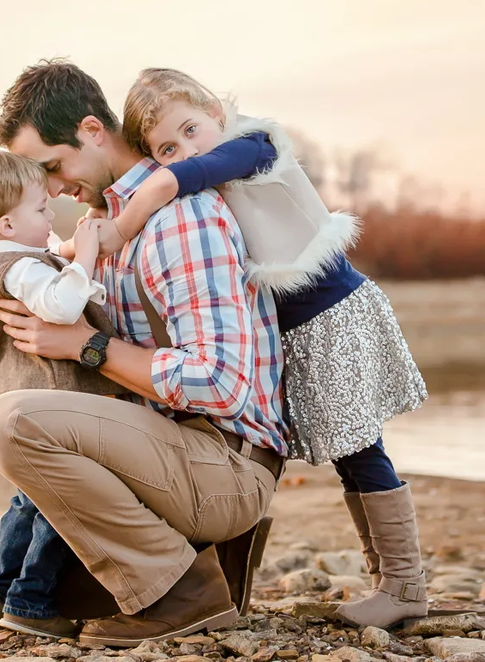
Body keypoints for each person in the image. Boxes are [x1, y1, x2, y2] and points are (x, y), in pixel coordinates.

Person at [0, 59, 287, 647]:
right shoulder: (99, 230)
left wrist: (87, 346)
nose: (50, 189)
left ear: (91, 130)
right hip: (147, 454)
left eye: (52, 167)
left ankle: (185, 593)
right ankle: (181, 561)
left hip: (222, 460)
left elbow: (221, 383)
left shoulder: (180, 217)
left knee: (13, 422)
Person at [96, 67, 430, 628]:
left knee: (361, 449)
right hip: (300, 328)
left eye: (191, 129)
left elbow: (171, 181)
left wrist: (122, 223)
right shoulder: (211, 169)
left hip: (328, 318)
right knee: (353, 455)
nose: (186, 150)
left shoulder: (254, 145)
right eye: (167, 147)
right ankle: (394, 582)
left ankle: (403, 583)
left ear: (215, 110)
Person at [0, 149, 123, 639]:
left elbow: (47, 271)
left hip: (17, 396)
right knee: (59, 503)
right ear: (6, 224)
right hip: (52, 402)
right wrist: (84, 254)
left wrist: (64, 255)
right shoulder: (19, 269)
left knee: (29, 501)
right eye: (41, 211)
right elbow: (63, 307)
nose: (51, 216)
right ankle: (31, 601)